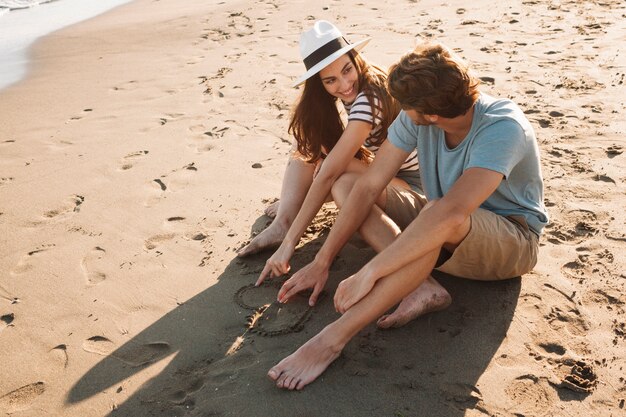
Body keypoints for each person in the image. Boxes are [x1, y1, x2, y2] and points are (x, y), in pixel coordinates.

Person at [266, 42, 549, 390]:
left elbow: (452, 212)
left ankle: (331, 340)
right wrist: (322, 261)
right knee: (347, 183)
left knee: (437, 217)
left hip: (511, 242)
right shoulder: (420, 117)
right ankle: (422, 284)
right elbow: (370, 186)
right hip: (443, 217)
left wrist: (370, 272)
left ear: (429, 115)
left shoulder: (503, 127)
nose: (399, 109)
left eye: (407, 108)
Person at [237, 20, 420, 272]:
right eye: (331, 80)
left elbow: (330, 173)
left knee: (331, 170)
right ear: (319, 83)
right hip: (387, 170)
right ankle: (284, 219)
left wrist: (289, 245)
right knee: (308, 140)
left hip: (412, 185)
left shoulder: (369, 97)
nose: (344, 85)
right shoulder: (359, 86)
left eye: (347, 70)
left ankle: (288, 222)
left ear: (354, 58)